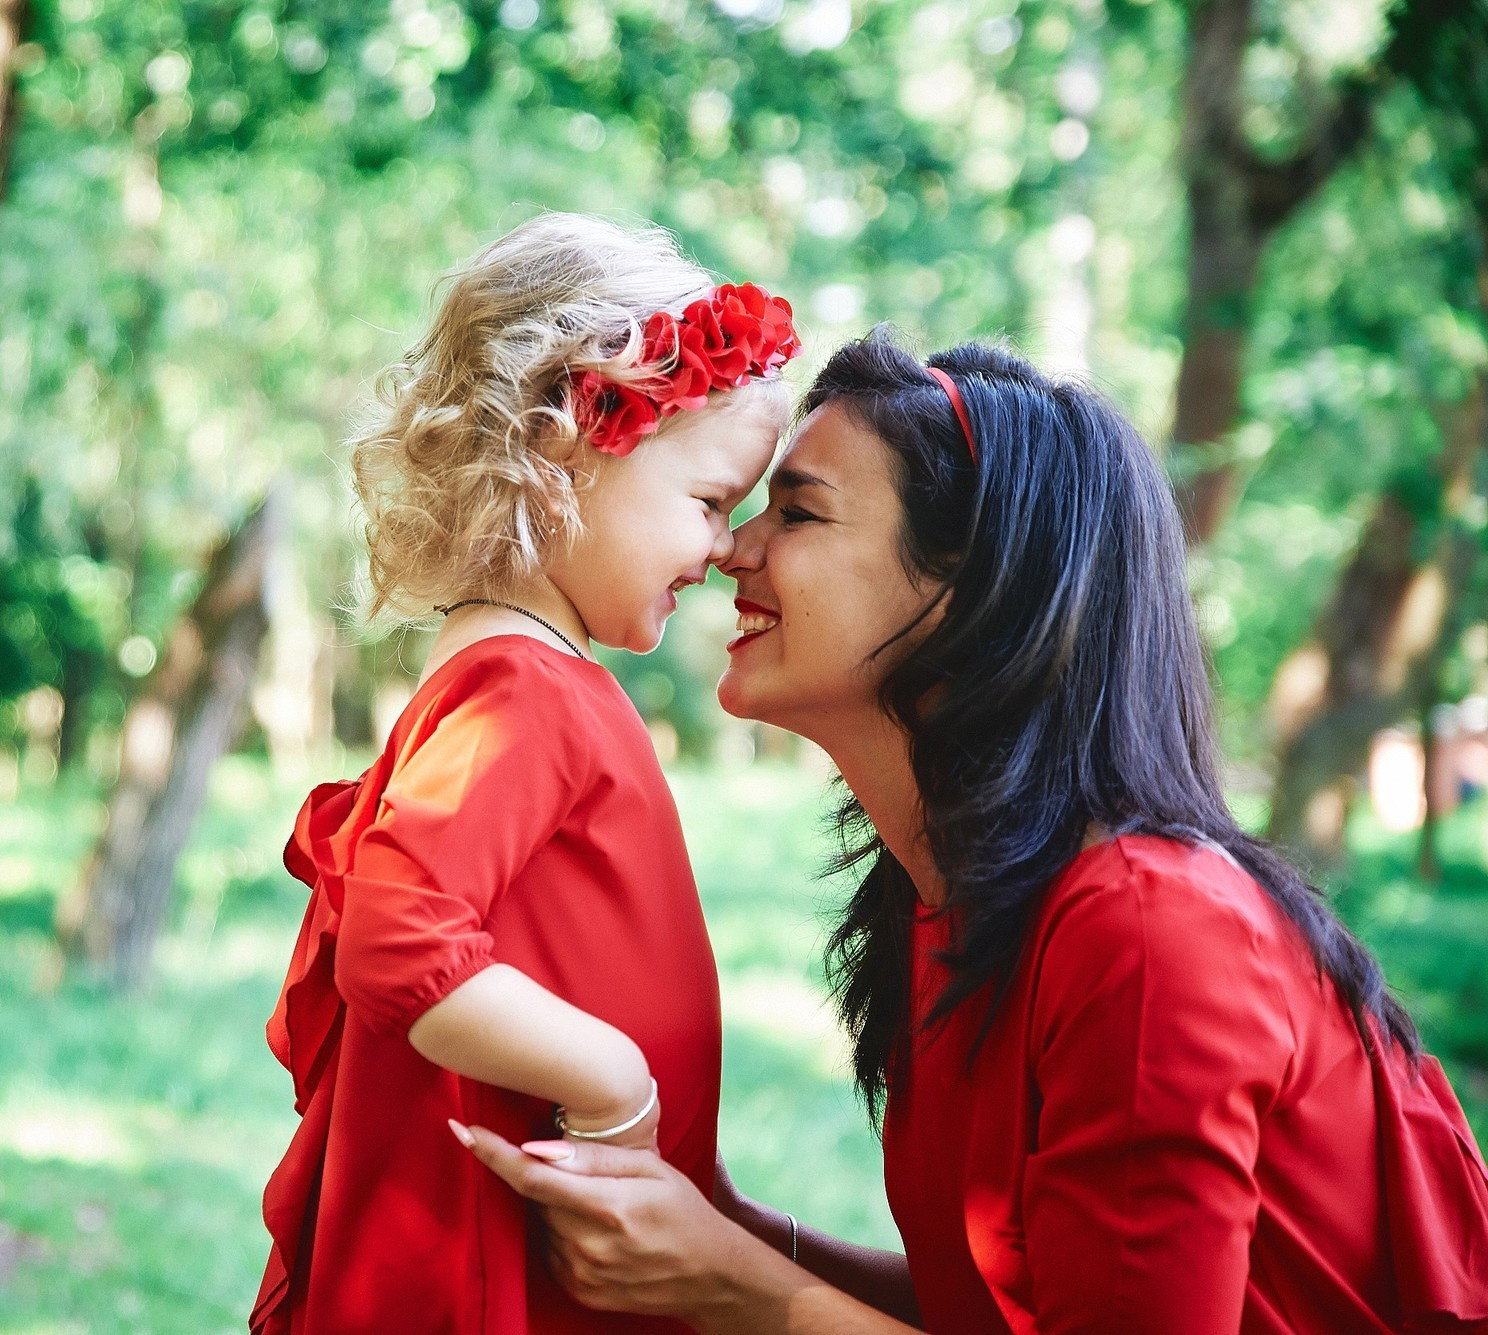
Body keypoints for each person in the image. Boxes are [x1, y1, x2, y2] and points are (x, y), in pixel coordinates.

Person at [455, 332, 1488, 1333]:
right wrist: (718, 1227)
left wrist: (732, 1288)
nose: (731, 548)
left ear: (971, 587)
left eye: (799, 513)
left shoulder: (1147, 926)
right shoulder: (947, 901)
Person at [251, 213, 802, 1335]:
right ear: (567, 439)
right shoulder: (524, 690)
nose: (720, 551)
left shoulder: (526, 676)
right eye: (705, 503)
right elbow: (400, 942)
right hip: (499, 1276)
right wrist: (613, 1085)